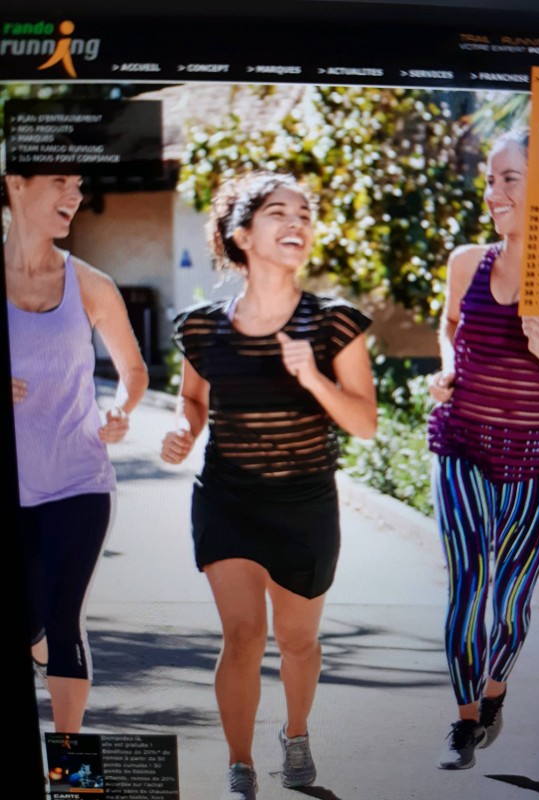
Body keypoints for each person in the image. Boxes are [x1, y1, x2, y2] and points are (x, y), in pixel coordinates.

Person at [161, 170, 377, 799]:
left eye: (305, 215)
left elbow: (363, 423)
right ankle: (240, 765)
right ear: (241, 234)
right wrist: (182, 428)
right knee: (243, 636)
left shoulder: (335, 323)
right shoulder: (201, 327)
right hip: (227, 497)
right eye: (280, 213)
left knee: (299, 639)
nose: (297, 224)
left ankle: (298, 732)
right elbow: (193, 401)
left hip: (305, 502)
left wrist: (313, 378)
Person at [426, 129, 539, 770]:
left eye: (509, 179)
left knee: (512, 597)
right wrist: (445, 371)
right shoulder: (466, 261)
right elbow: (450, 328)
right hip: (462, 444)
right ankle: (464, 722)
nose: (493, 192)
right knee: (468, 587)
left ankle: (494, 690)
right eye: (490, 178)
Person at [5, 173, 149, 733]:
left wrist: (121, 409)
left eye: (80, 182)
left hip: (77, 482)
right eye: (60, 180)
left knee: (65, 622)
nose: (76, 194)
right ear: (17, 184)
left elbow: (133, 371)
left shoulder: (90, 283)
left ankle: (71, 777)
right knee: (32, 623)